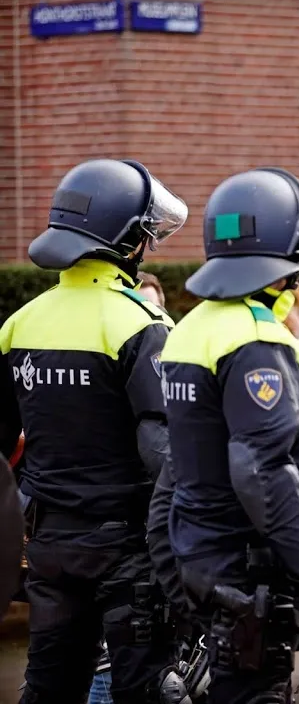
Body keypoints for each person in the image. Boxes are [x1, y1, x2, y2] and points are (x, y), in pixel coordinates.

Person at [160, 167, 299, 702]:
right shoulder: (255, 340)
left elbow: (189, 460)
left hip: (206, 556)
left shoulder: (194, 326)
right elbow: (260, 468)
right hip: (250, 570)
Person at [0, 159, 185, 702]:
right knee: (143, 690)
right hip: (128, 549)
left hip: (51, 547)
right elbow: (164, 450)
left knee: (50, 686)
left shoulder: (21, 322)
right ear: (127, 240)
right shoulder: (141, 324)